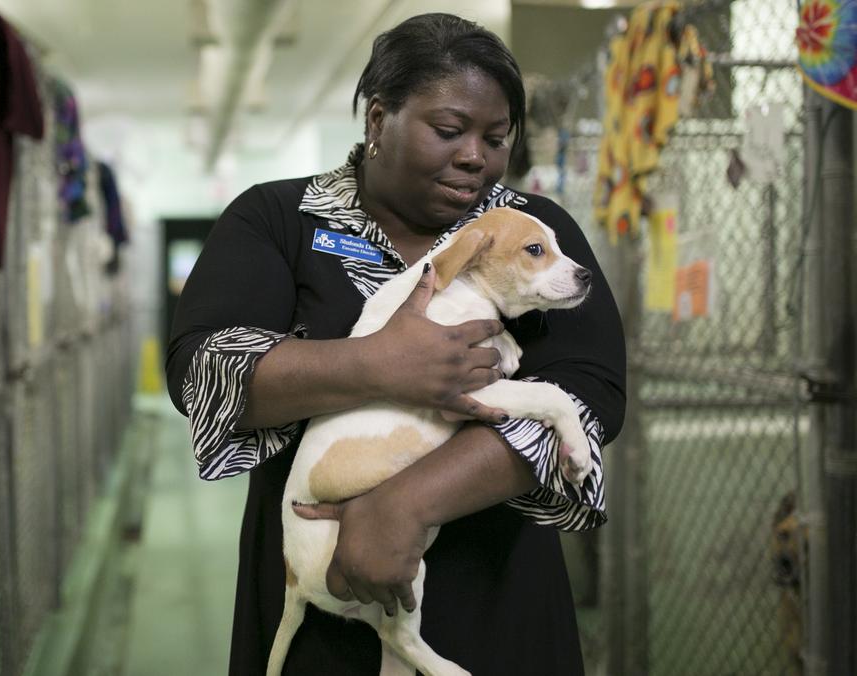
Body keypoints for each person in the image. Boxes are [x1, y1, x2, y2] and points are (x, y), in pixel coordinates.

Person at [166, 13, 625, 675]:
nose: (475, 156)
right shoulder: (278, 221)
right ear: (378, 120)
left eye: (496, 138)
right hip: (327, 607)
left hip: (496, 609)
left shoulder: (533, 233)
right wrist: (380, 364)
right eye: (449, 131)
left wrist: (405, 505)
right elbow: (204, 370)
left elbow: (591, 392)